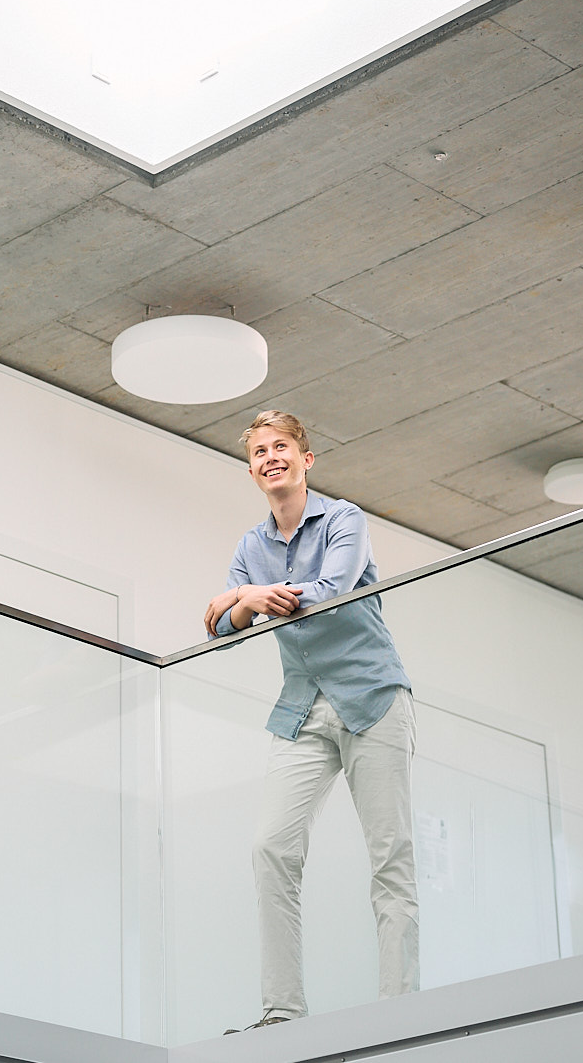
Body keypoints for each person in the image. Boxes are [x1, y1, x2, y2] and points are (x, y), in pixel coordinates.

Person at [204, 410, 417, 1032]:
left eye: (282, 447)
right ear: (252, 470)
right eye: (260, 451)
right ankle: (282, 1012)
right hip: (303, 707)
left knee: (390, 855)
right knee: (271, 847)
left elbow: (328, 592)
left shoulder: (345, 520)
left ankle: (402, 1012)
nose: (271, 457)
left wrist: (243, 597)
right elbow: (219, 630)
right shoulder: (252, 546)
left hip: (372, 698)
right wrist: (241, 600)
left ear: (306, 460)